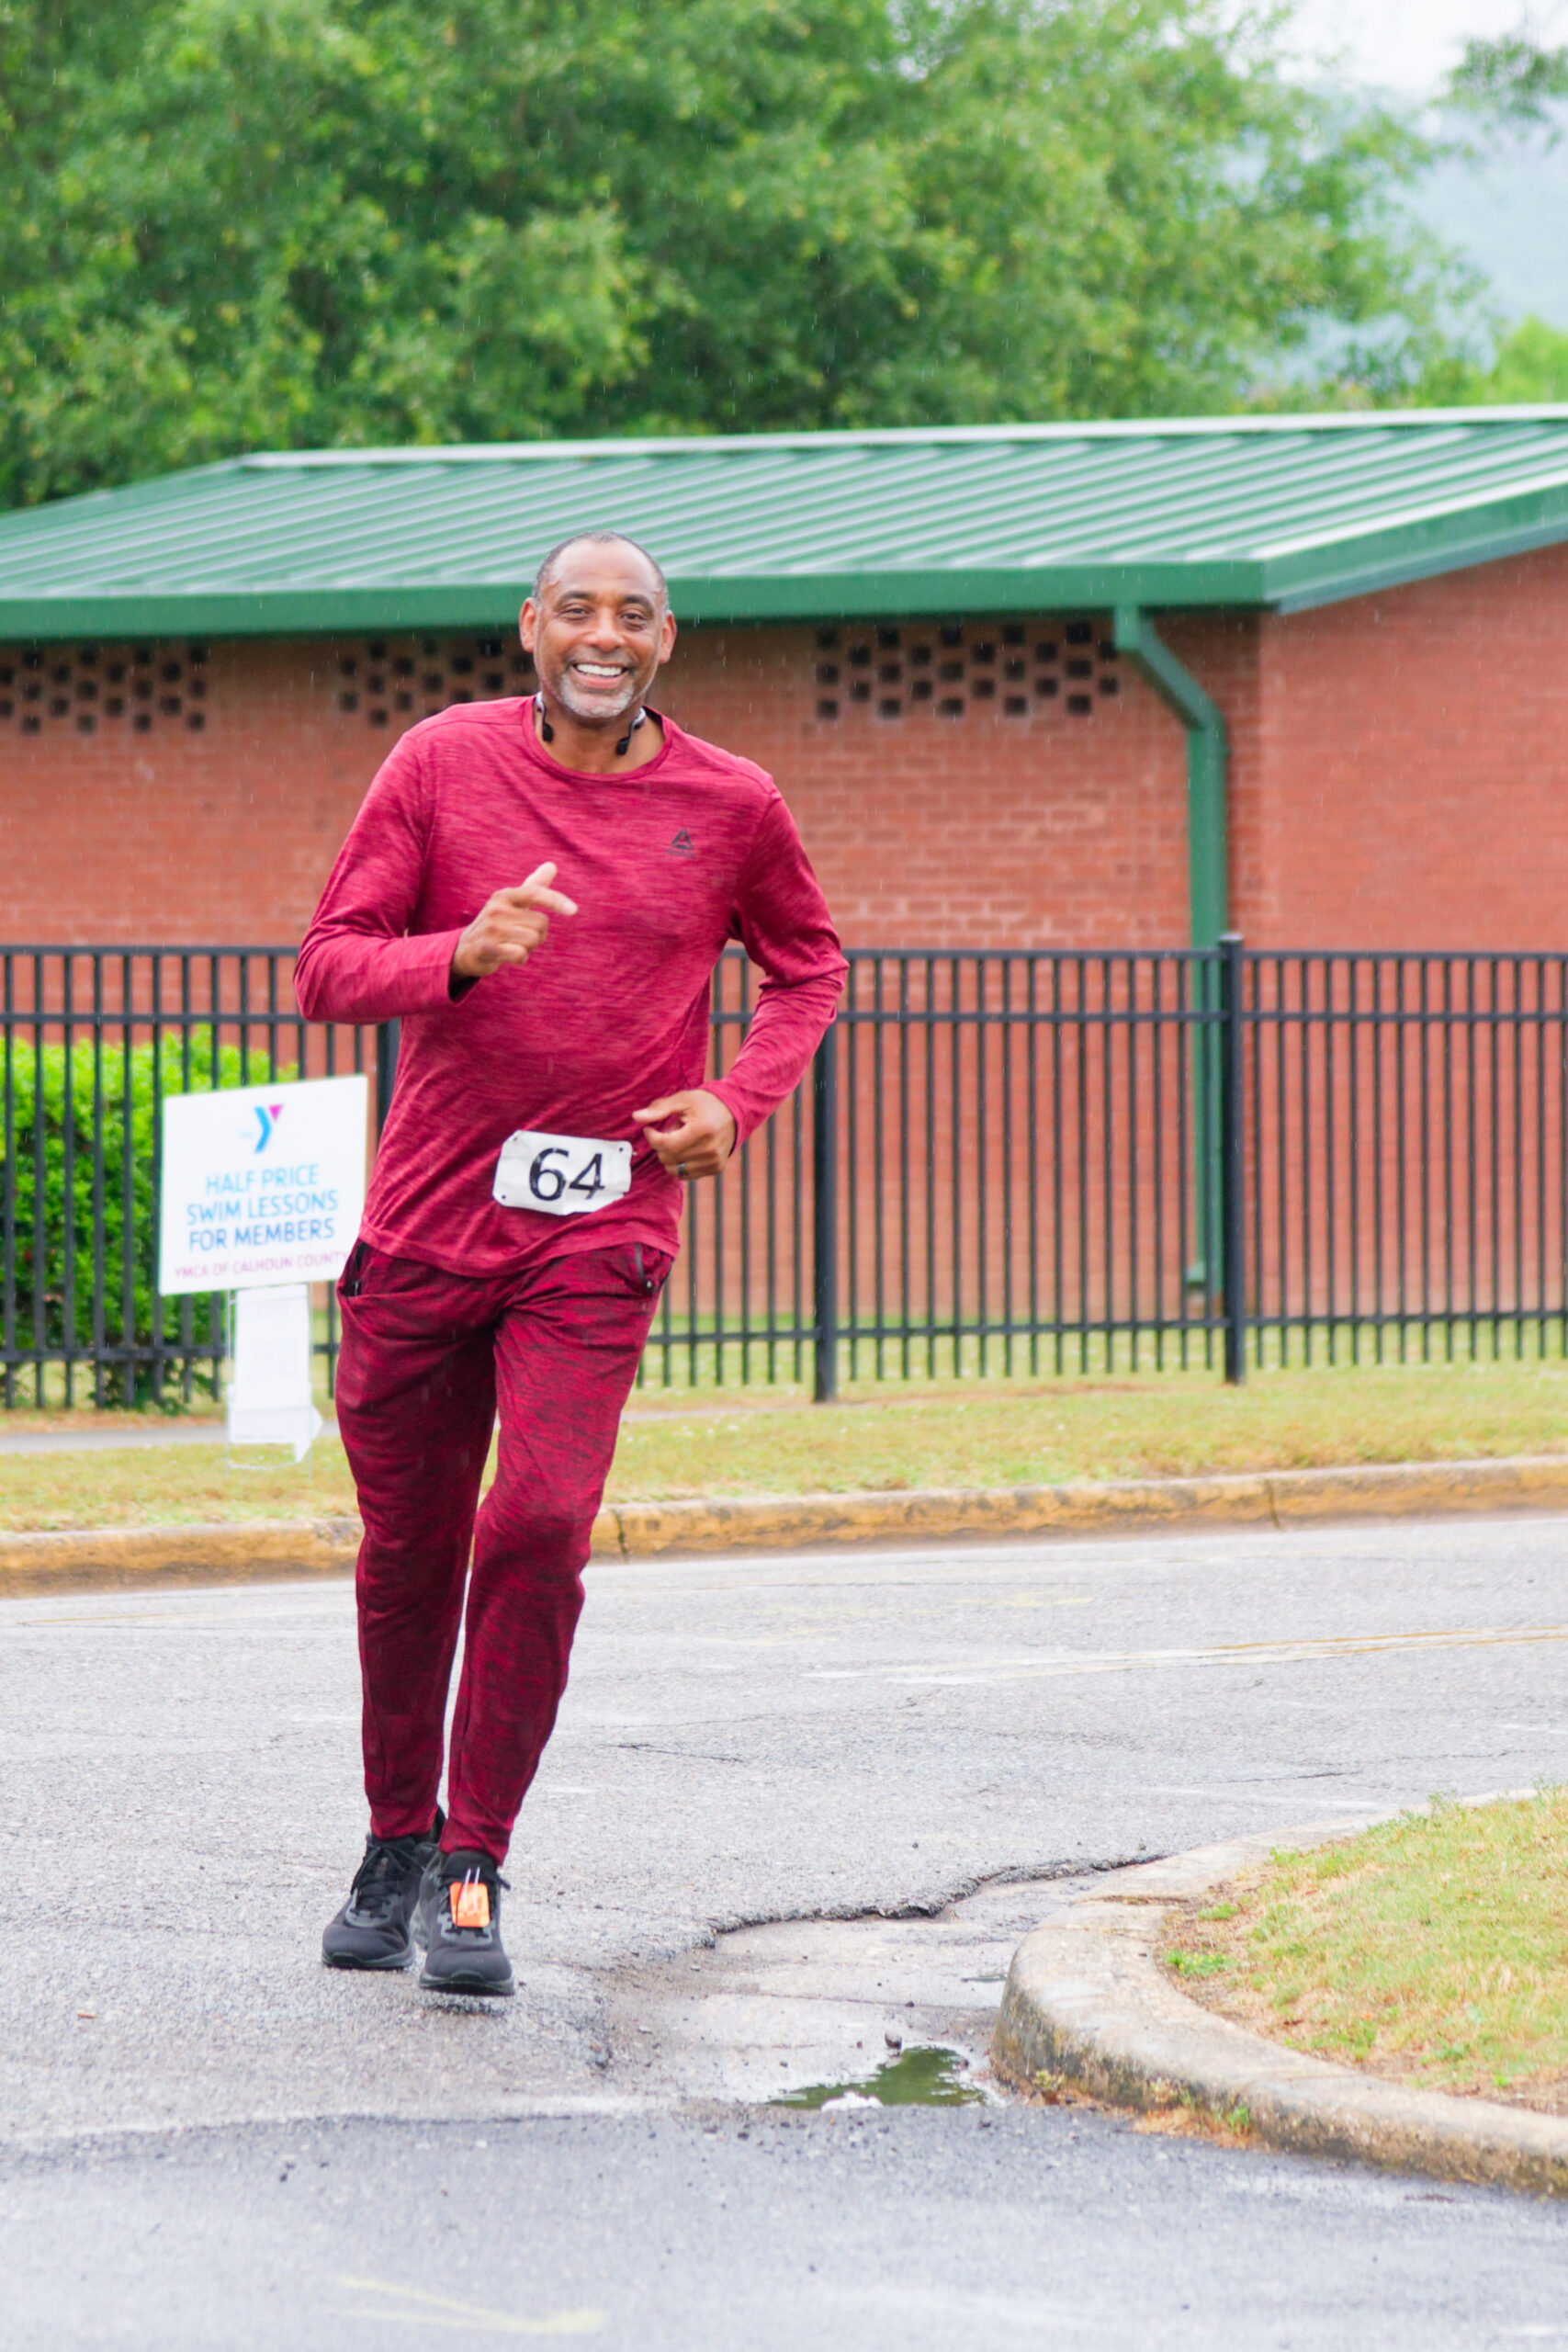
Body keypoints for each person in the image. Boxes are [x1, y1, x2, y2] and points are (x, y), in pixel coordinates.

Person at [295, 531, 845, 1995]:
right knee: (407, 1553)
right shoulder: (439, 764)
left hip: (600, 1230)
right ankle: (394, 1843)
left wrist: (736, 1099)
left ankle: (474, 1865)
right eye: (579, 611)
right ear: (531, 628)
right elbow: (328, 965)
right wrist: (457, 954)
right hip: (423, 1227)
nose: (606, 635)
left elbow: (810, 966)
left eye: (637, 615)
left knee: (535, 1526)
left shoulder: (733, 804)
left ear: (668, 640)